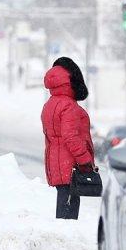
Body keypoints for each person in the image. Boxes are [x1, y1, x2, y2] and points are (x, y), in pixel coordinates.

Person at [41, 57, 95, 219]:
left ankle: (63, 236)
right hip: (70, 166)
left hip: (57, 164)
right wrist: (85, 160)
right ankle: (64, 238)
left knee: (64, 202)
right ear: (70, 81)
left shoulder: (50, 104)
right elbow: (70, 136)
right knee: (69, 212)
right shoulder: (68, 106)